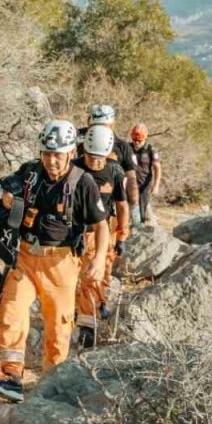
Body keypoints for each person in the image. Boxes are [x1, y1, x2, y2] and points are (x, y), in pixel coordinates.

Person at [0, 120, 110, 403]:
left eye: (58, 155)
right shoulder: (30, 173)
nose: (51, 161)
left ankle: (51, 385)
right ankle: (11, 377)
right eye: (47, 154)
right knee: (11, 311)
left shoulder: (83, 183)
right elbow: (3, 188)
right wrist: (6, 197)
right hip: (26, 256)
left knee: (58, 327)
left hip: (61, 264)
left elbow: (101, 225)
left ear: (71, 153)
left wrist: (100, 258)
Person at [73, 125, 130, 348]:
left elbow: (122, 206)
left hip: (100, 231)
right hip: (74, 230)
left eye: (99, 157)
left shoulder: (115, 172)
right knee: (75, 277)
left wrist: (122, 235)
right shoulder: (73, 168)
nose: (95, 161)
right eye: (90, 156)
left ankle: (89, 322)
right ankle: (80, 315)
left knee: (96, 274)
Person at [87, 104, 142, 224]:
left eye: (104, 126)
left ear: (112, 125)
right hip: (80, 204)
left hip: (110, 204)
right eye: (96, 126)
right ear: (89, 124)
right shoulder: (80, 142)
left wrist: (134, 205)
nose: (100, 130)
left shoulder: (122, 147)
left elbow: (131, 178)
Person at [130, 123, 162, 225]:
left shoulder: (150, 149)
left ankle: (140, 227)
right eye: (134, 140)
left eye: (139, 140)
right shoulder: (127, 148)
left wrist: (156, 186)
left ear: (145, 138)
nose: (136, 142)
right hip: (130, 184)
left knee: (141, 209)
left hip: (144, 184)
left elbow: (157, 168)